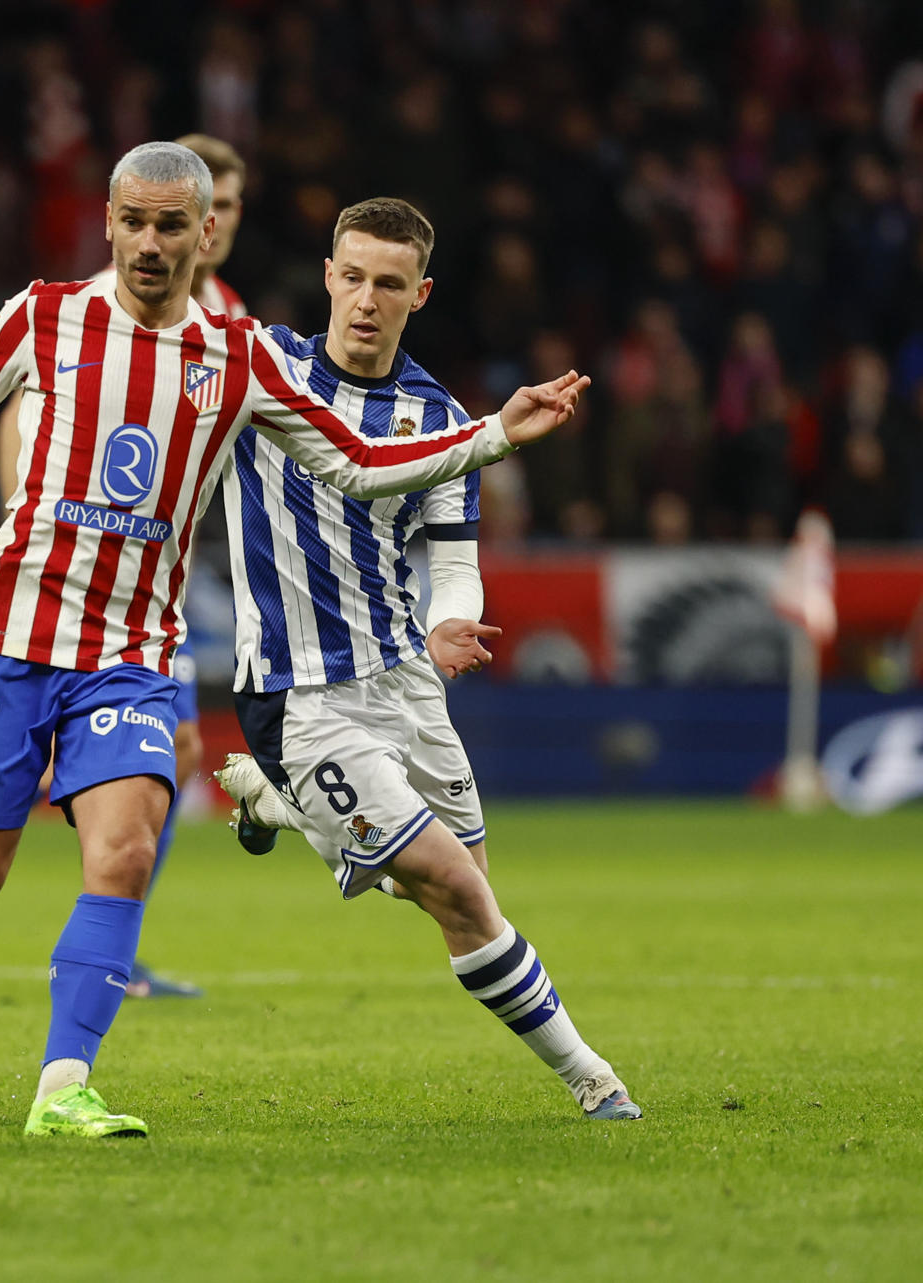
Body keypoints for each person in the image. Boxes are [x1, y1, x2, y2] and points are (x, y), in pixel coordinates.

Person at [0, 141, 587, 1141]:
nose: (150, 242)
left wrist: (494, 435)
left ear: (205, 233)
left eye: (173, 225)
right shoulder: (47, 314)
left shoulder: (241, 353)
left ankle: (62, 1088)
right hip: (10, 633)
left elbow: (357, 461)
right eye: (133, 221)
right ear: (111, 223)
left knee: (123, 853)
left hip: (131, 650)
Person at [213, 197, 640, 1121]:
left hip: (405, 681)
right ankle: (593, 1079)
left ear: (421, 294)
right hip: (300, 692)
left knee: (467, 894)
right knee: (453, 887)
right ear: (329, 275)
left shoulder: (436, 414)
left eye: (390, 285)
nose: (368, 299)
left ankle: (281, 807)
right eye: (354, 277)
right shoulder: (261, 366)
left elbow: (455, 564)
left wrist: (452, 621)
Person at [0, 134, 252, 1002]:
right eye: (138, 219)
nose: (173, 236)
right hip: (64, 589)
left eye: (229, 212)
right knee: (58, 787)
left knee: (150, 765)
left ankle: (99, 950)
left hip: (145, 599)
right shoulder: (73, 314)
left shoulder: (234, 332)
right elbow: (6, 417)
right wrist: (26, 521)